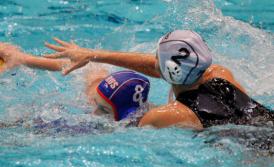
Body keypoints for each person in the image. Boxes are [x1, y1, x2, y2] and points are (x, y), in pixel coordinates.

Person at [37, 30, 274, 129]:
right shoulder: (222, 75)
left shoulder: (168, 115)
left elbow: (109, 126)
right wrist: (92, 55)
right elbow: (160, 67)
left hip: (256, 159)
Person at [0, 43, 152, 127]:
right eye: (96, 103)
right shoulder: (97, 91)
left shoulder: (142, 122)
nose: (95, 114)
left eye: (105, 110)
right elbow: (87, 66)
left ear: (126, 114)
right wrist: (24, 59)